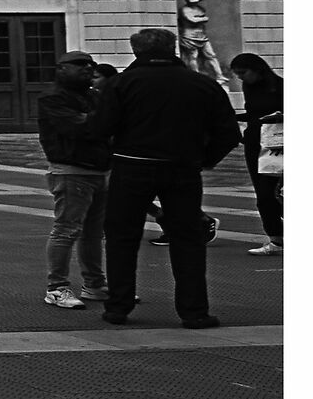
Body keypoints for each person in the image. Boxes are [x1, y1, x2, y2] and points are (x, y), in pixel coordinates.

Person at [83, 27, 242, 327]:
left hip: (131, 166)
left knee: (121, 238)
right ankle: (194, 311)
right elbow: (228, 132)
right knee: (188, 240)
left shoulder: (121, 84)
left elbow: (99, 128)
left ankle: (118, 307)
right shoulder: (202, 84)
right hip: (182, 168)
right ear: (173, 49)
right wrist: (204, 159)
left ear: (136, 51)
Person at [35, 51, 111, 308]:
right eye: (79, 64)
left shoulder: (93, 96)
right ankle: (56, 287)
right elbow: (79, 127)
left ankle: (95, 284)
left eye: (90, 64)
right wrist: (107, 122)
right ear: (61, 69)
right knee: (66, 230)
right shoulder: (53, 98)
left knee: (93, 233)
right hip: (71, 170)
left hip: (99, 169)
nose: (88, 68)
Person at [226, 52, 283, 254]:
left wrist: (277, 117)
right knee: (263, 194)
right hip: (256, 142)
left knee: (274, 192)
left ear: (257, 70)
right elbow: (253, 114)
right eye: (237, 74)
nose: (240, 77)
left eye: (243, 73)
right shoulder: (249, 87)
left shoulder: (280, 86)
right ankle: (276, 239)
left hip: (278, 144)